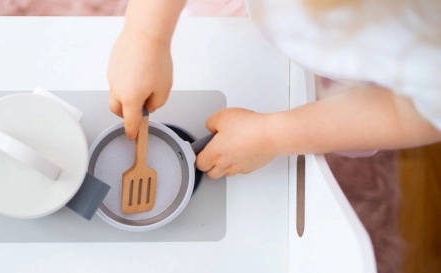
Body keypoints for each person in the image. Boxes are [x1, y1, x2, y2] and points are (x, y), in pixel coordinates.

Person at [107, 0, 441, 179]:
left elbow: (407, 114)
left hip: (359, 88)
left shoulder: (428, 61)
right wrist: (145, 37)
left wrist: (273, 135)